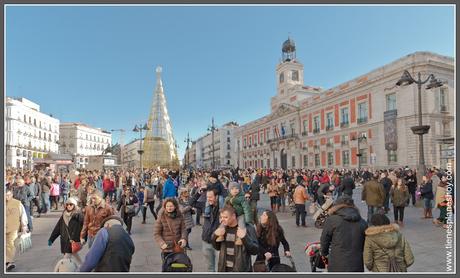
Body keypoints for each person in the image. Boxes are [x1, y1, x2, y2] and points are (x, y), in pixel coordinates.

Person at [320, 196, 368, 272]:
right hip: (356, 262)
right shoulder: (362, 222)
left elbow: (324, 240)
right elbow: (366, 244)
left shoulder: (332, 220)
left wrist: (324, 253)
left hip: (337, 261)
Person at [212, 205, 259, 272]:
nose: (222, 219)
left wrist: (244, 238)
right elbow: (217, 247)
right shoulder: (223, 228)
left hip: (241, 270)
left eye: (225, 217)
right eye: (221, 217)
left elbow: (255, 251)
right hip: (224, 269)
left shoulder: (248, 228)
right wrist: (215, 236)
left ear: (233, 216)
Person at [48, 197, 84, 265]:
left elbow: (85, 227)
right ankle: (83, 267)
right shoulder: (64, 215)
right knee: (74, 254)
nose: (69, 206)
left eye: (71, 204)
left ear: (74, 205)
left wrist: (83, 238)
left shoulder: (79, 215)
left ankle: (63, 271)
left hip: (74, 240)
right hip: (65, 240)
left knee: (65, 259)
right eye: (67, 204)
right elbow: (57, 228)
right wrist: (51, 239)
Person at [6, 188, 29, 271]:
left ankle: (9, 262)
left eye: (8, 195)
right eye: (5, 195)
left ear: (11, 195)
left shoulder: (17, 203)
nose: (6, 197)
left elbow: (23, 215)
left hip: (13, 228)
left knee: (10, 245)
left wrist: (24, 226)